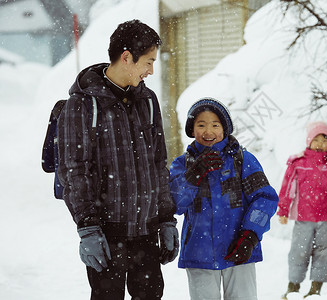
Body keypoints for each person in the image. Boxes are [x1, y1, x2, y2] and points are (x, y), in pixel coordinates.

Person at [57, 20, 179, 300]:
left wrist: (166, 219)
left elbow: (159, 164)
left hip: (146, 233)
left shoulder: (147, 101)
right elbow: (74, 171)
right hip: (106, 235)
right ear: (126, 57)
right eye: (148, 62)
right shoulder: (83, 104)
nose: (151, 70)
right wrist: (88, 227)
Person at [169, 97, 279, 300]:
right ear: (192, 130)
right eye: (201, 125)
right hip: (198, 253)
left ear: (225, 129)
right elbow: (175, 204)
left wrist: (250, 236)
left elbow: (265, 198)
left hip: (239, 249)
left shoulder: (243, 160)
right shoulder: (182, 165)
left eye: (215, 125)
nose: (208, 132)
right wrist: (193, 175)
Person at [277, 121, 327, 299]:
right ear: (309, 140)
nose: (320, 144)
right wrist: (283, 210)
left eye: (324, 140)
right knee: (299, 251)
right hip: (304, 217)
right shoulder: (298, 163)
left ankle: (315, 289)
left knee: (324, 252)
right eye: (316, 139)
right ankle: (293, 287)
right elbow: (288, 188)